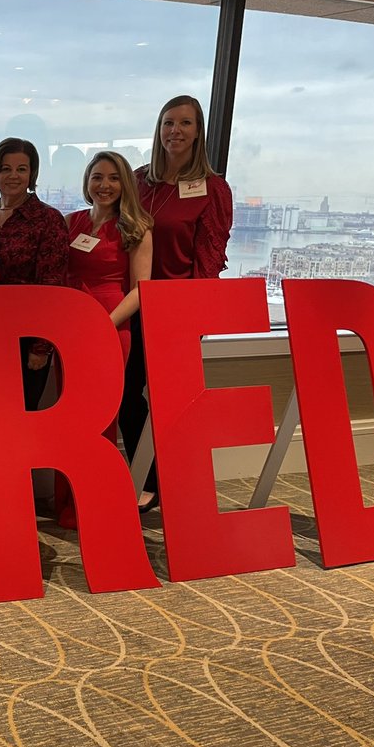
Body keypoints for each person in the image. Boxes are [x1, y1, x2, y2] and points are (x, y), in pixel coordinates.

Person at [119, 95, 233, 512]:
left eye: (185, 123)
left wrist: (194, 316)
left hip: (175, 310)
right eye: (169, 123)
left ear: (199, 131)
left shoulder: (212, 188)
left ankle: (177, 482)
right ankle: (147, 476)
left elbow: (209, 256)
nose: (176, 131)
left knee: (172, 398)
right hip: (130, 304)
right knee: (126, 394)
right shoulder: (137, 180)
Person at [55, 151, 153, 528]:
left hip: (111, 326)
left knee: (99, 421)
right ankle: (64, 502)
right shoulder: (71, 222)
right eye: (97, 177)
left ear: (125, 183)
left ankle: (90, 503)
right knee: (68, 417)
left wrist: (104, 324)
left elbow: (141, 289)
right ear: (87, 181)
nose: (105, 185)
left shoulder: (137, 227)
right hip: (69, 328)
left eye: (113, 178)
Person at [0, 137, 69, 410]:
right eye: (5, 168)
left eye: (21, 169)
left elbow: (52, 288)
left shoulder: (48, 220)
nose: (13, 175)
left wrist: (40, 346)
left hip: (27, 335)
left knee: (20, 415)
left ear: (32, 174)